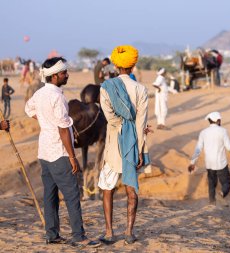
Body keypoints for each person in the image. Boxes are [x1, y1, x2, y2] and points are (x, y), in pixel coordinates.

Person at [25, 57, 100, 248]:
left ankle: (52, 235)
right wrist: (73, 157)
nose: (67, 75)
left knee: (50, 196)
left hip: (44, 152)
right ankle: (79, 236)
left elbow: (28, 109)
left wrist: (44, 120)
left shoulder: (40, 93)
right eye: (64, 72)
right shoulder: (57, 97)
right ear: (56, 76)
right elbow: (63, 129)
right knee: (72, 196)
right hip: (59, 152)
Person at [97, 45, 150, 245]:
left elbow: (109, 116)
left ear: (116, 65)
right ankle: (129, 232)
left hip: (113, 144)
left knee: (107, 188)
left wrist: (120, 125)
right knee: (131, 189)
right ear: (133, 64)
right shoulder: (141, 89)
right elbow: (141, 123)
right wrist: (140, 149)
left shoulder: (106, 87)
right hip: (133, 145)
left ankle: (109, 232)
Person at [188, 112, 230, 206]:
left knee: (212, 184)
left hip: (209, 164)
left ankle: (212, 203)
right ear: (217, 121)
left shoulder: (203, 132)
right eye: (220, 120)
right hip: (221, 164)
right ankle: (221, 194)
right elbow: (229, 147)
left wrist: (192, 162)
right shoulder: (223, 131)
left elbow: (198, 149)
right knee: (226, 183)